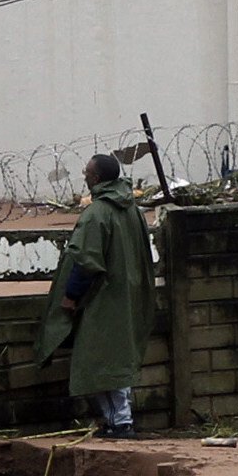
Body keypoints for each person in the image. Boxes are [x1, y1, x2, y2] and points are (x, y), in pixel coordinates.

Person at [37, 151, 155, 437]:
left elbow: (86, 261)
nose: (84, 176)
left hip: (102, 299)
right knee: (118, 358)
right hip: (127, 295)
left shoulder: (96, 214)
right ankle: (119, 419)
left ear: (97, 178)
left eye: (87, 173)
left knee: (100, 361)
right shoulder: (132, 210)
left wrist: (71, 296)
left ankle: (120, 422)